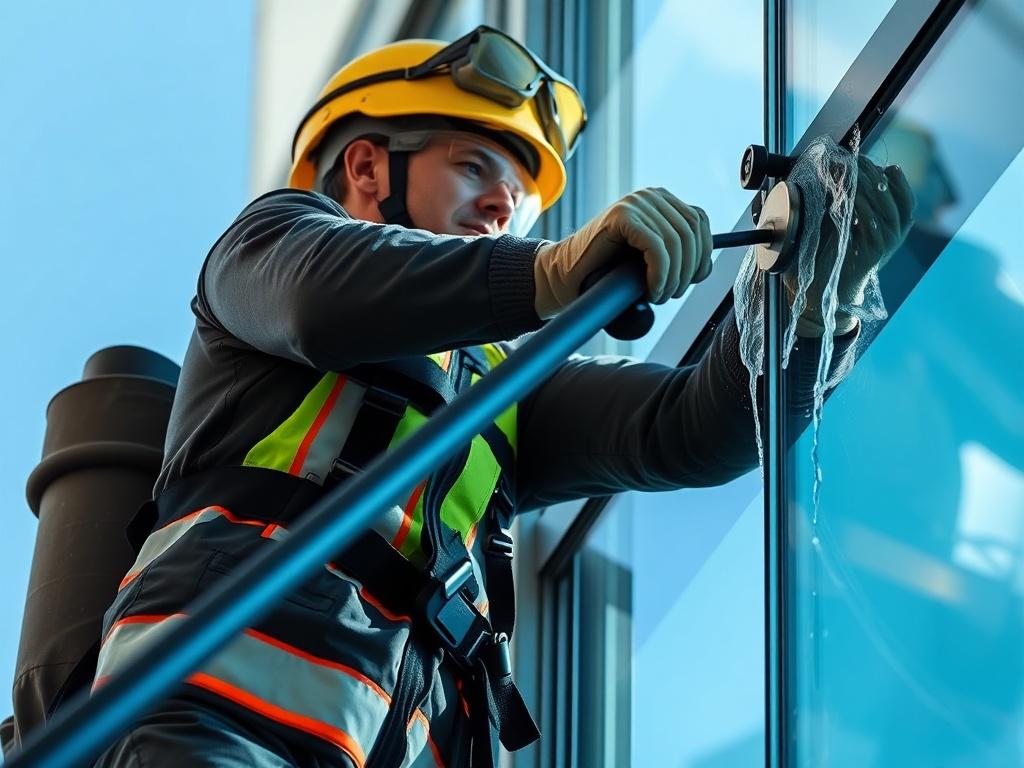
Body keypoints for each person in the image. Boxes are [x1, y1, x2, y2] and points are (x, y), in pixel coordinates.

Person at [91, 26, 912, 768]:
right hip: (213, 729)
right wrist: (546, 274)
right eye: (474, 165)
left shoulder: (499, 392)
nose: (502, 205)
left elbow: (694, 431)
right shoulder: (267, 246)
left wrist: (810, 307)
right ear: (369, 166)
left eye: (519, 194)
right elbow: (318, 298)